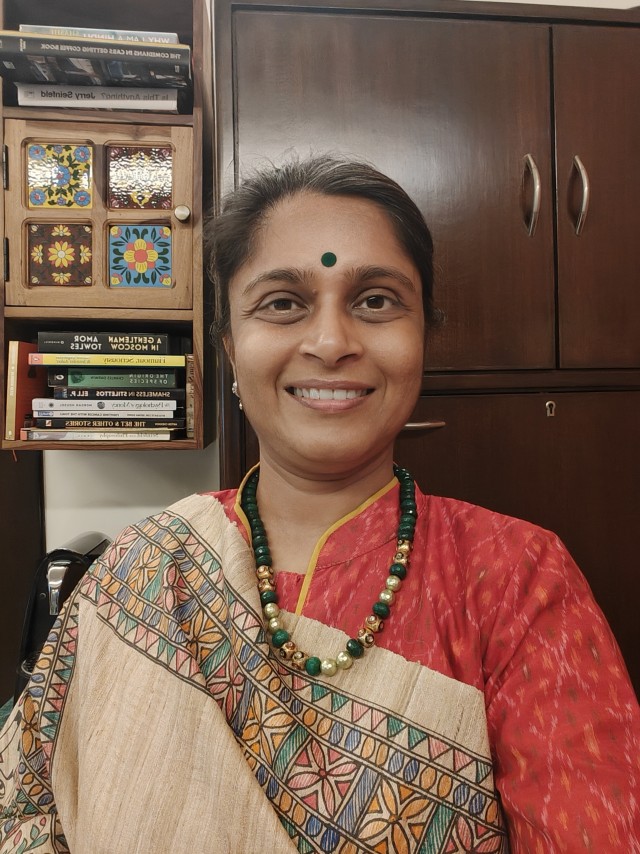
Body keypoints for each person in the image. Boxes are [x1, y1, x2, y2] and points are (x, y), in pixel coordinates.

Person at [1, 156, 638, 853]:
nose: (332, 343)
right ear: (230, 348)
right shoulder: (141, 567)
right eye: (283, 303)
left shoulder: (517, 578)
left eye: (376, 301)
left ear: (423, 337)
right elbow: (27, 809)